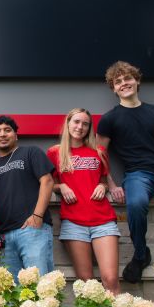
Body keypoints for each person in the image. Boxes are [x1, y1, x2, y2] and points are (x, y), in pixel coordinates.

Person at [97, 61, 154, 283]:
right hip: (138, 175)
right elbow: (99, 156)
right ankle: (140, 254)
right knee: (135, 204)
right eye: (118, 82)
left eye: (127, 78)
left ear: (136, 81)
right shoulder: (109, 119)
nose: (123, 83)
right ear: (113, 88)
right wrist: (112, 184)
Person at [47, 108, 120, 294]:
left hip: (103, 220)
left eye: (85, 124)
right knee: (87, 283)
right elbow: (47, 184)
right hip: (74, 223)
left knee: (110, 279)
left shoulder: (99, 151)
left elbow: (103, 179)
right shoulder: (54, 152)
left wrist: (103, 186)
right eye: (76, 122)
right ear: (68, 123)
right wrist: (61, 186)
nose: (80, 127)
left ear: (89, 128)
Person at [0, 115, 54, 280]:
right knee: (10, 293)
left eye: (7, 130)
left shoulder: (31, 152)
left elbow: (47, 181)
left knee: (39, 286)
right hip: (4, 238)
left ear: (16, 135)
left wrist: (37, 215)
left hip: (32, 230)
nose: (2, 134)